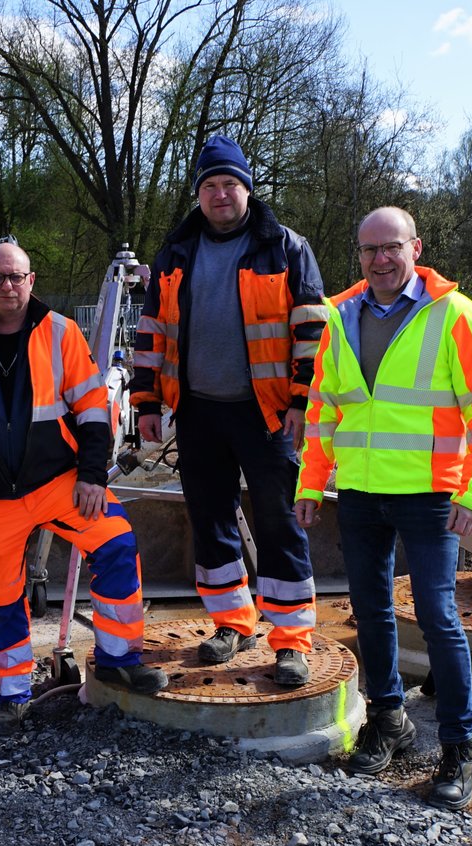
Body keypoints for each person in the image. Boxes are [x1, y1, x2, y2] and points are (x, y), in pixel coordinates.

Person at [294, 206, 472, 811]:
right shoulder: (340, 317)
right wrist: (311, 485)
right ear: (358, 256)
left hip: (430, 495)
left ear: (415, 248)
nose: (380, 259)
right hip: (361, 494)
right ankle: (389, 719)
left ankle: (459, 745)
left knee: (439, 617)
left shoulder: (454, 316)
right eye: (368, 250)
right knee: (370, 611)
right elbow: (323, 410)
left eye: (391, 247)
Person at [0, 242, 169, 735]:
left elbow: (95, 410)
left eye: (17, 277)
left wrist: (94, 476)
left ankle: (119, 657)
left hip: (61, 483)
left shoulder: (61, 332)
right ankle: (12, 694)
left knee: (117, 544)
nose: (8, 286)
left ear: (31, 281)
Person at [130, 134, 328, 685]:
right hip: (198, 411)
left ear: (247, 189)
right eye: (210, 186)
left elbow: (311, 331)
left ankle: (290, 641)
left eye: (229, 185)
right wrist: (146, 399)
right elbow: (150, 333)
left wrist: (298, 400)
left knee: (278, 522)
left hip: (266, 415)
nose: (220, 195)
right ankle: (233, 624)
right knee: (211, 522)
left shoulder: (284, 246)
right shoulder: (176, 250)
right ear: (199, 194)